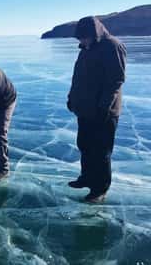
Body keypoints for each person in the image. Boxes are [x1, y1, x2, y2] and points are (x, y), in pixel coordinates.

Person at [67, 16, 126, 203]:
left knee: (101, 151)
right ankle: (86, 177)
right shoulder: (86, 48)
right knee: (84, 145)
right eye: (80, 38)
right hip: (85, 109)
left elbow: (116, 80)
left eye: (84, 37)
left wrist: (104, 107)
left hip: (103, 111)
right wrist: (72, 98)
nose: (82, 41)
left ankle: (100, 189)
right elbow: (78, 76)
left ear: (95, 33)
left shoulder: (112, 46)